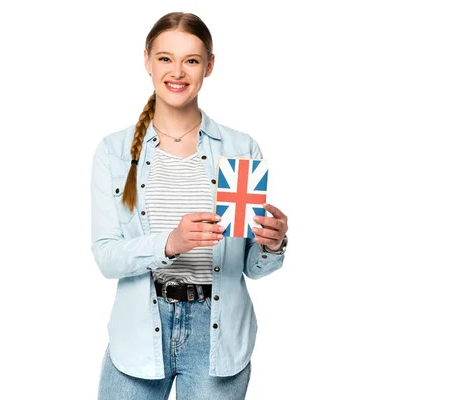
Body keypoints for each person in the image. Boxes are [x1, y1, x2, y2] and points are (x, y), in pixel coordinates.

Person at [90, 11, 289, 400]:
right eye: (165, 58)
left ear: (209, 66)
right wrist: (170, 243)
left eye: (191, 60)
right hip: (139, 332)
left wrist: (272, 243)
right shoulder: (113, 152)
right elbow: (106, 257)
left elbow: (251, 266)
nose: (177, 71)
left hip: (217, 335)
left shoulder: (240, 149)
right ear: (147, 60)